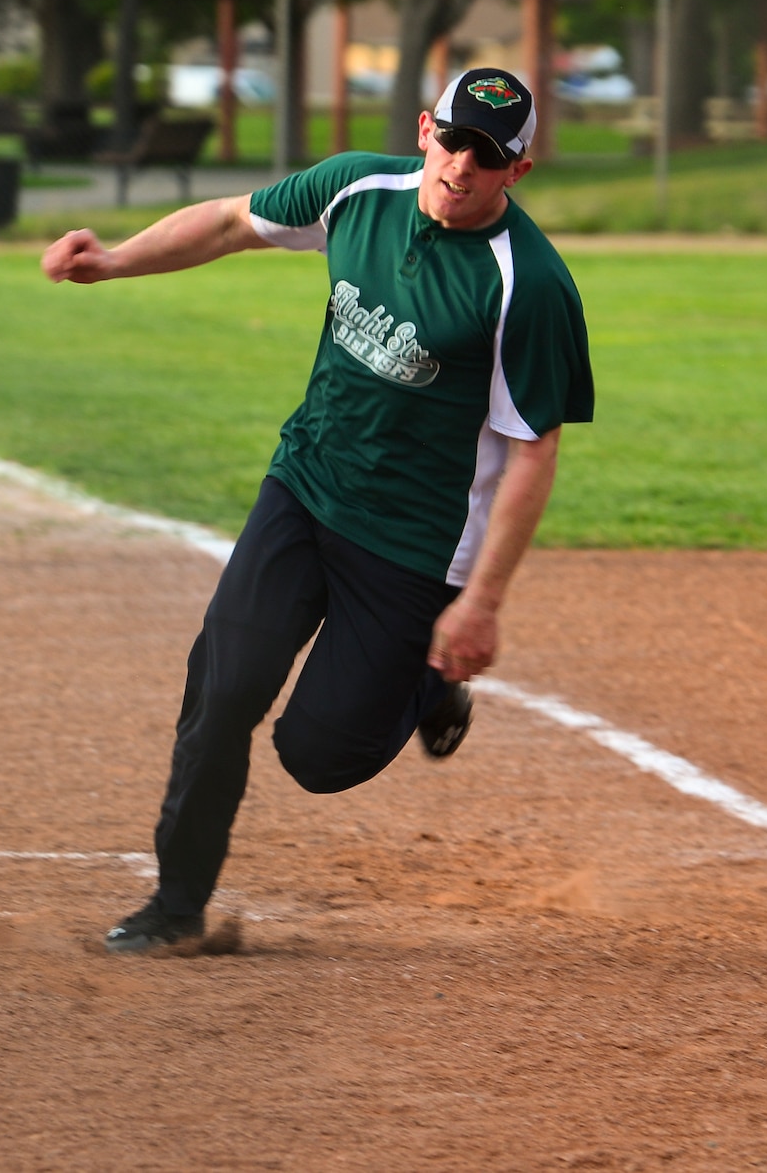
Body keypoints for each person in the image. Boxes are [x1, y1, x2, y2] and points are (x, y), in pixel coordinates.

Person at [43, 67, 593, 952]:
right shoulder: (357, 189)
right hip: (305, 487)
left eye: (489, 157)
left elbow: (534, 450)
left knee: (318, 756)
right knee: (220, 692)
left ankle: (429, 681)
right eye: (453, 140)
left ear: (517, 173)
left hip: (414, 545)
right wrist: (114, 260)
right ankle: (178, 908)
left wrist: (480, 604)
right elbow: (230, 220)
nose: (462, 166)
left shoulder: (527, 285)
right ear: (425, 130)